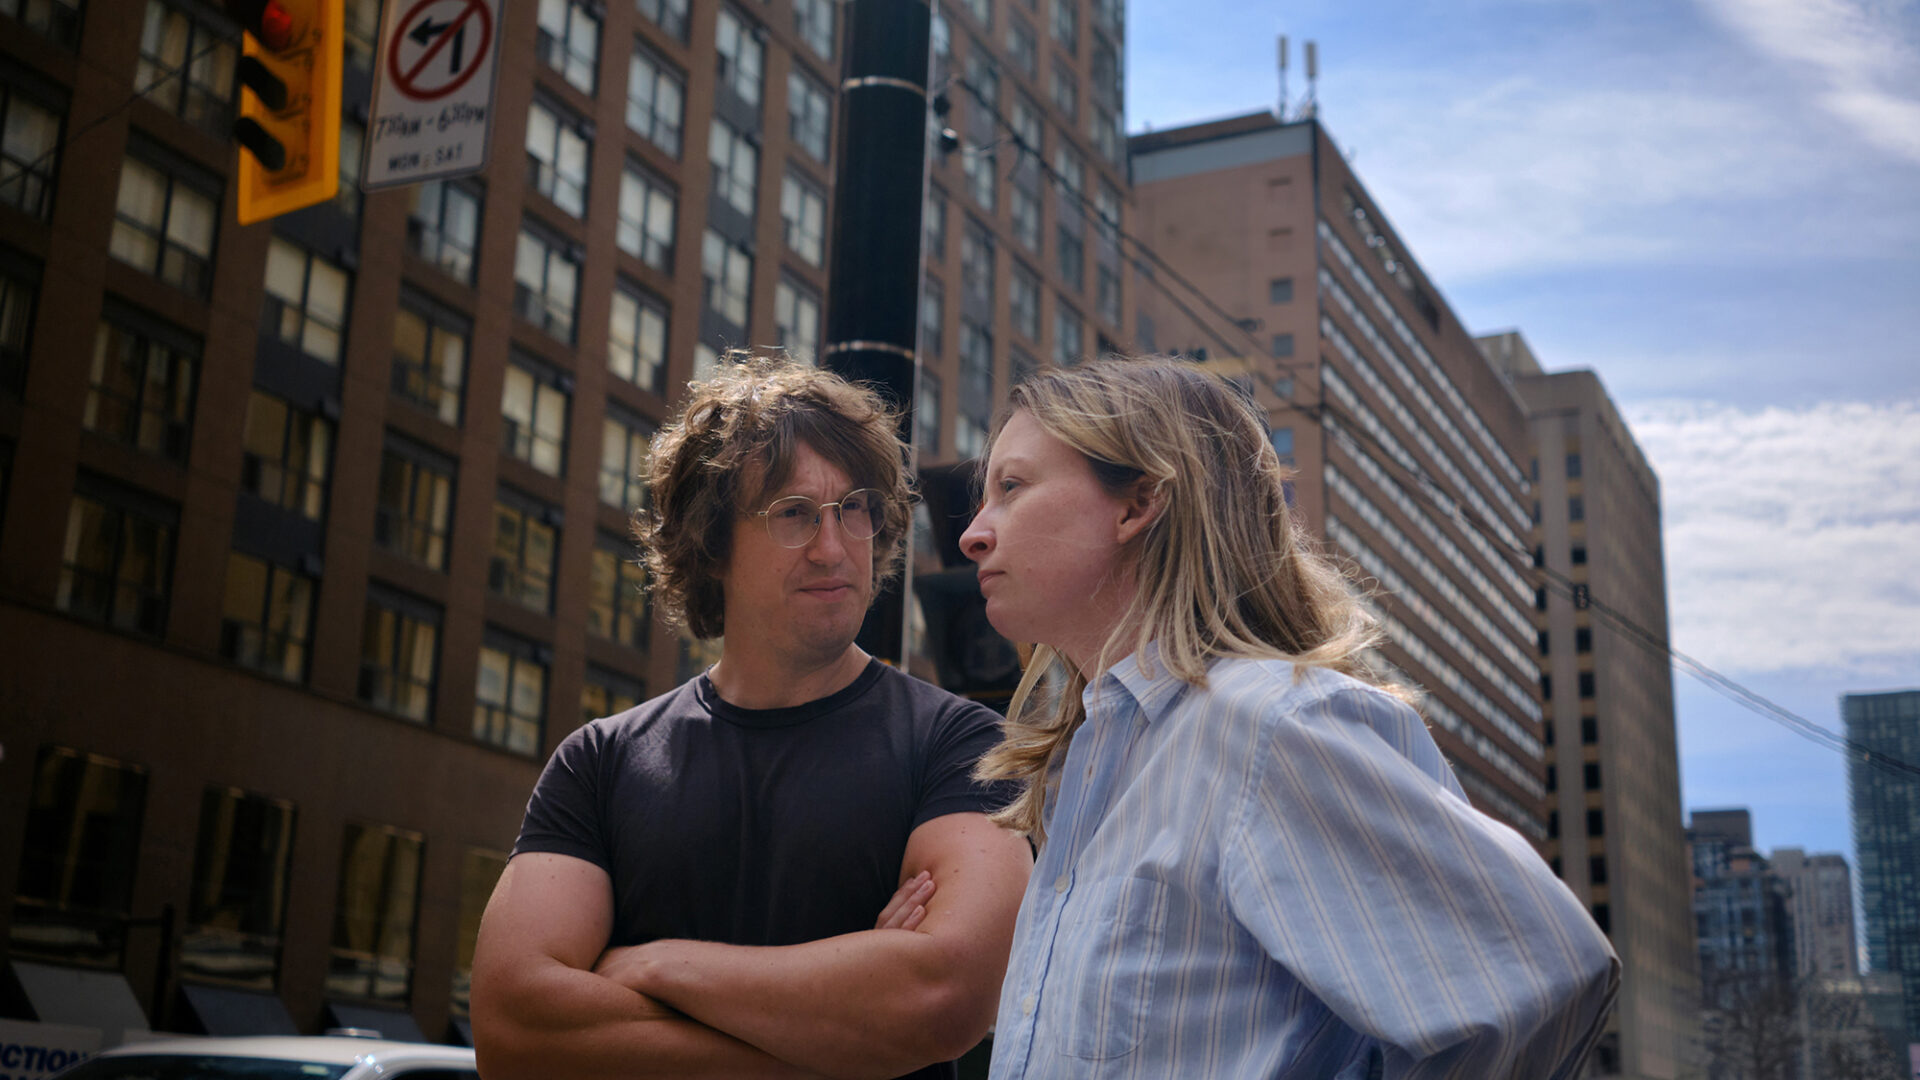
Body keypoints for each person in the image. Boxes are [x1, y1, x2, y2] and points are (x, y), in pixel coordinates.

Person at [959, 356, 1618, 1080]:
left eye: (1012, 488)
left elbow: (1537, 975)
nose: (974, 534)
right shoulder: (1084, 771)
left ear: (1137, 502)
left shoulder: (1270, 725)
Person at [472, 358, 1033, 1080]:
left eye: (854, 508)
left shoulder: (960, 744)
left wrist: (658, 966)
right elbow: (513, 1031)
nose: (833, 548)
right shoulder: (600, 761)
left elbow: (944, 996)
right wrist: (843, 1039)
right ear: (711, 547)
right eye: (793, 513)